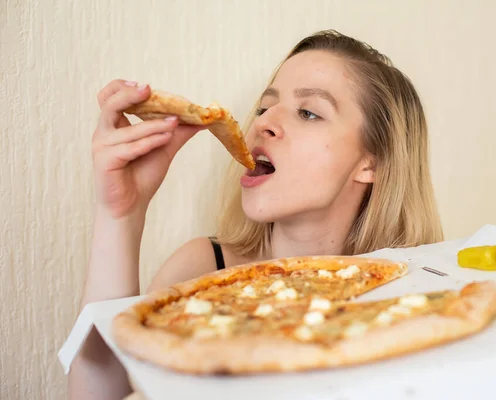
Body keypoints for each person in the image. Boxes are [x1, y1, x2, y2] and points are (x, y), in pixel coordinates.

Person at [68, 29, 444, 400]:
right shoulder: (202, 271)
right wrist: (122, 214)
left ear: (371, 163)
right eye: (264, 107)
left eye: (308, 113)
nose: (261, 122)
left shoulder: (415, 298)